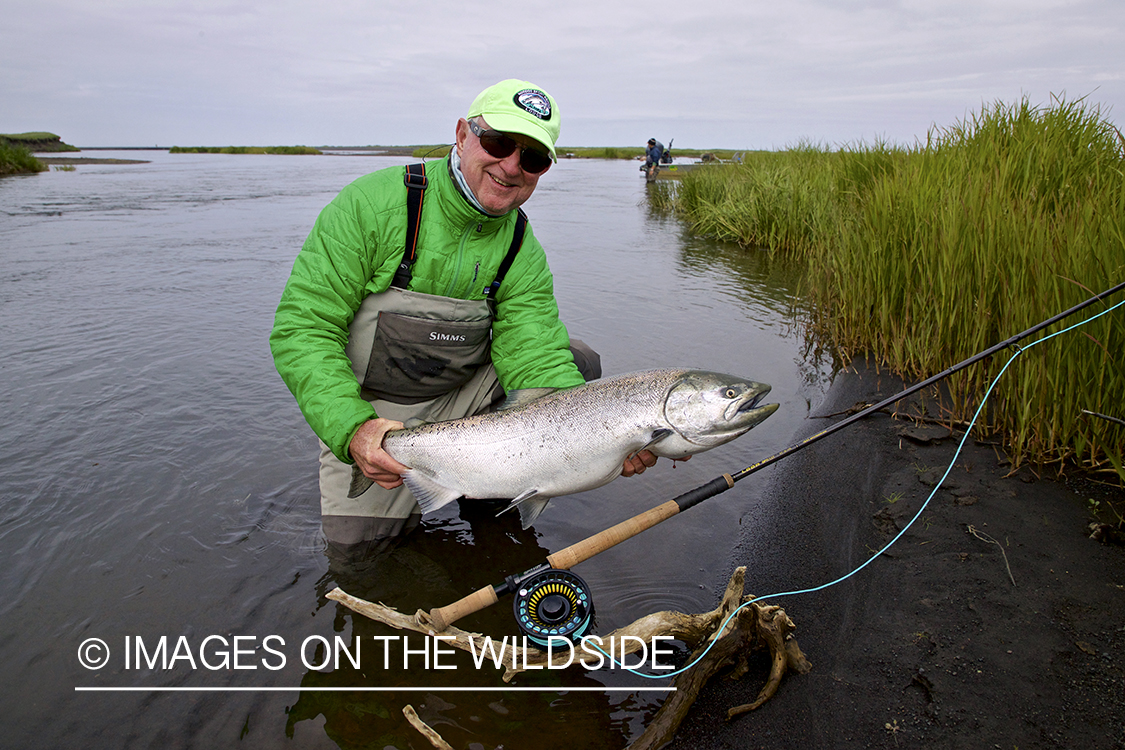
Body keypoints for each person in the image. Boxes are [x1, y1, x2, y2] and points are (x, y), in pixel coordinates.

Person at [271, 79, 659, 551]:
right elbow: (302, 330)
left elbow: (536, 355)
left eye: (533, 158)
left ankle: (492, 492)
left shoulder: (521, 247)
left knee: (578, 361)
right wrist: (353, 429)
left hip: (465, 403)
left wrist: (602, 442)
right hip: (374, 411)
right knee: (358, 554)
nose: (511, 166)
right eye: (498, 143)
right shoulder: (371, 205)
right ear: (461, 134)